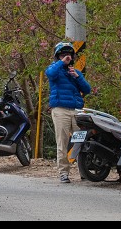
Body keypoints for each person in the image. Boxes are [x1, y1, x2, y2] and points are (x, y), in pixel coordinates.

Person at [45, 41, 92, 184]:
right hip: (60, 110)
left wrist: (77, 77)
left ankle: (84, 171)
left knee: (82, 140)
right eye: (63, 54)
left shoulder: (75, 72)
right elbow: (50, 73)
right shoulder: (55, 69)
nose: (67, 57)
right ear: (58, 56)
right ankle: (64, 173)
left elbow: (87, 89)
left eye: (69, 54)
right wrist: (61, 63)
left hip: (76, 110)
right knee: (63, 142)